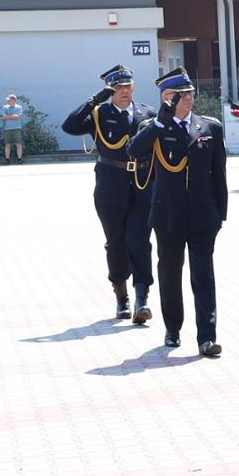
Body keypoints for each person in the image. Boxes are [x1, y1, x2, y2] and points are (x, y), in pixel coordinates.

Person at [131, 67, 228, 357]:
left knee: (203, 276)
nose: (188, 99)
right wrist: (159, 123)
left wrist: (220, 215)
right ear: (166, 98)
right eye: (180, 95)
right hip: (168, 216)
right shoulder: (155, 127)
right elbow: (134, 151)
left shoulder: (209, 127)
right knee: (170, 274)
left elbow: (218, 175)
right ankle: (173, 329)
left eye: (190, 94)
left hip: (203, 216)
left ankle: (207, 338)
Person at [59, 65, 158, 323]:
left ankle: (141, 299)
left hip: (141, 183)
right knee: (116, 244)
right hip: (110, 185)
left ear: (133, 88)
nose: (124, 92)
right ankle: (121, 296)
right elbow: (69, 126)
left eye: (128, 87)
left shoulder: (146, 113)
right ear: (111, 90)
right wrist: (94, 100)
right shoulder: (99, 114)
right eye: (118, 88)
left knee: (139, 241)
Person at [0, 94, 27, 164]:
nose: (7, 101)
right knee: (7, 144)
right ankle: (7, 160)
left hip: (17, 128)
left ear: (13, 100)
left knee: (18, 144)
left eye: (9, 100)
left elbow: (17, 116)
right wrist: (11, 116)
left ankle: (19, 159)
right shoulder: (5, 107)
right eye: (7, 100)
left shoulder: (19, 107)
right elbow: (3, 117)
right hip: (7, 129)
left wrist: (7, 116)